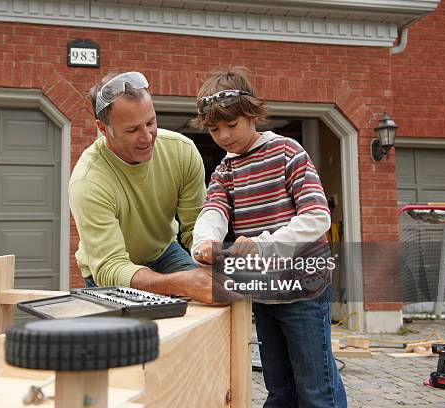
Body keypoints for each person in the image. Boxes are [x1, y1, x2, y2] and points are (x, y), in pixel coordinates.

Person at [191, 67, 347, 407]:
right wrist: (204, 242)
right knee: (279, 388)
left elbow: (317, 217)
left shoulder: (286, 152)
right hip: (263, 291)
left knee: (315, 388)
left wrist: (261, 244)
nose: (224, 136)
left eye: (231, 125)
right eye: (215, 129)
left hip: (303, 289)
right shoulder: (225, 170)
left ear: (251, 114)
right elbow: (214, 210)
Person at [69, 71, 230, 304]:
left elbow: (194, 227)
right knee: (133, 337)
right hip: (110, 270)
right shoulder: (88, 181)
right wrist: (181, 283)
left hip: (163, 252)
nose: (147, 137)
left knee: (215, 294)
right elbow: (111, 266)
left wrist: (209, 253)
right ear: (103, 129)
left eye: (151, 122)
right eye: (132, 130)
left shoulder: (181, 152)